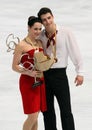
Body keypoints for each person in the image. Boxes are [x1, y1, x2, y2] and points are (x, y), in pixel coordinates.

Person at [37, 7, 84, 130]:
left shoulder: (65, 32)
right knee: (47, 112)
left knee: (66, 110)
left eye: (49, 18)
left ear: (53, 17)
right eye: (44, 20)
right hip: (44, 76)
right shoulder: (40, 36)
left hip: (60, 76)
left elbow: (75, 52)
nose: (47, 22)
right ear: (41, 23)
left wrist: (80, 72)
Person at [12, 16, 47, 130]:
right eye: (35, 29)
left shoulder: (40, 43)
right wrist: (29, 73)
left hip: (40, 82)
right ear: (28, 28)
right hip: (28, 82)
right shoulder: (21, 45)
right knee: (32, 115)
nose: (38, 32)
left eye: (39, 29)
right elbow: (15, 66)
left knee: (36, 114)